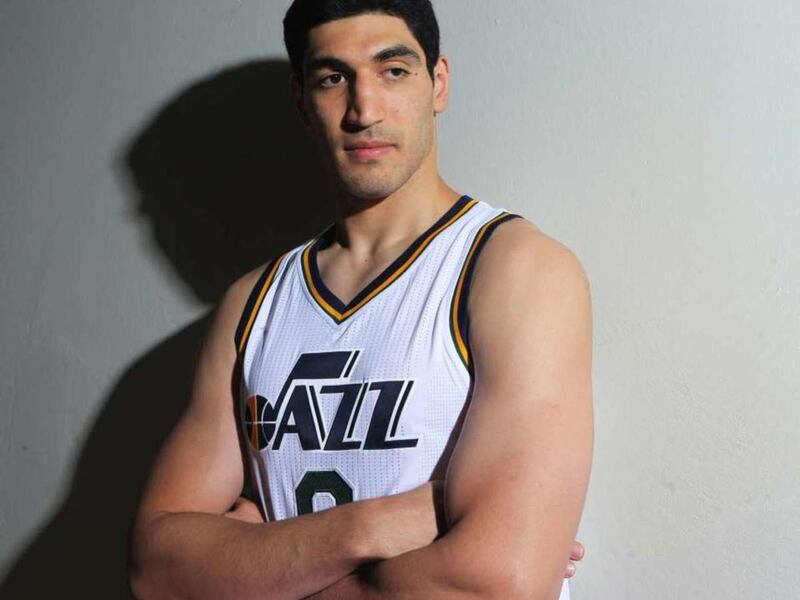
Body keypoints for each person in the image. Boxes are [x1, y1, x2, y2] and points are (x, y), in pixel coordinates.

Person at [129, 1, 593, 598]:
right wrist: (369, 528)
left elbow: (495, 586)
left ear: (438, 84)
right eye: (332, 78)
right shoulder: (251, 303)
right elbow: (155, 571)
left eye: (393, 70)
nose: (364, 109)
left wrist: (257, 566)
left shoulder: (512, 269)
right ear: (302, 100)